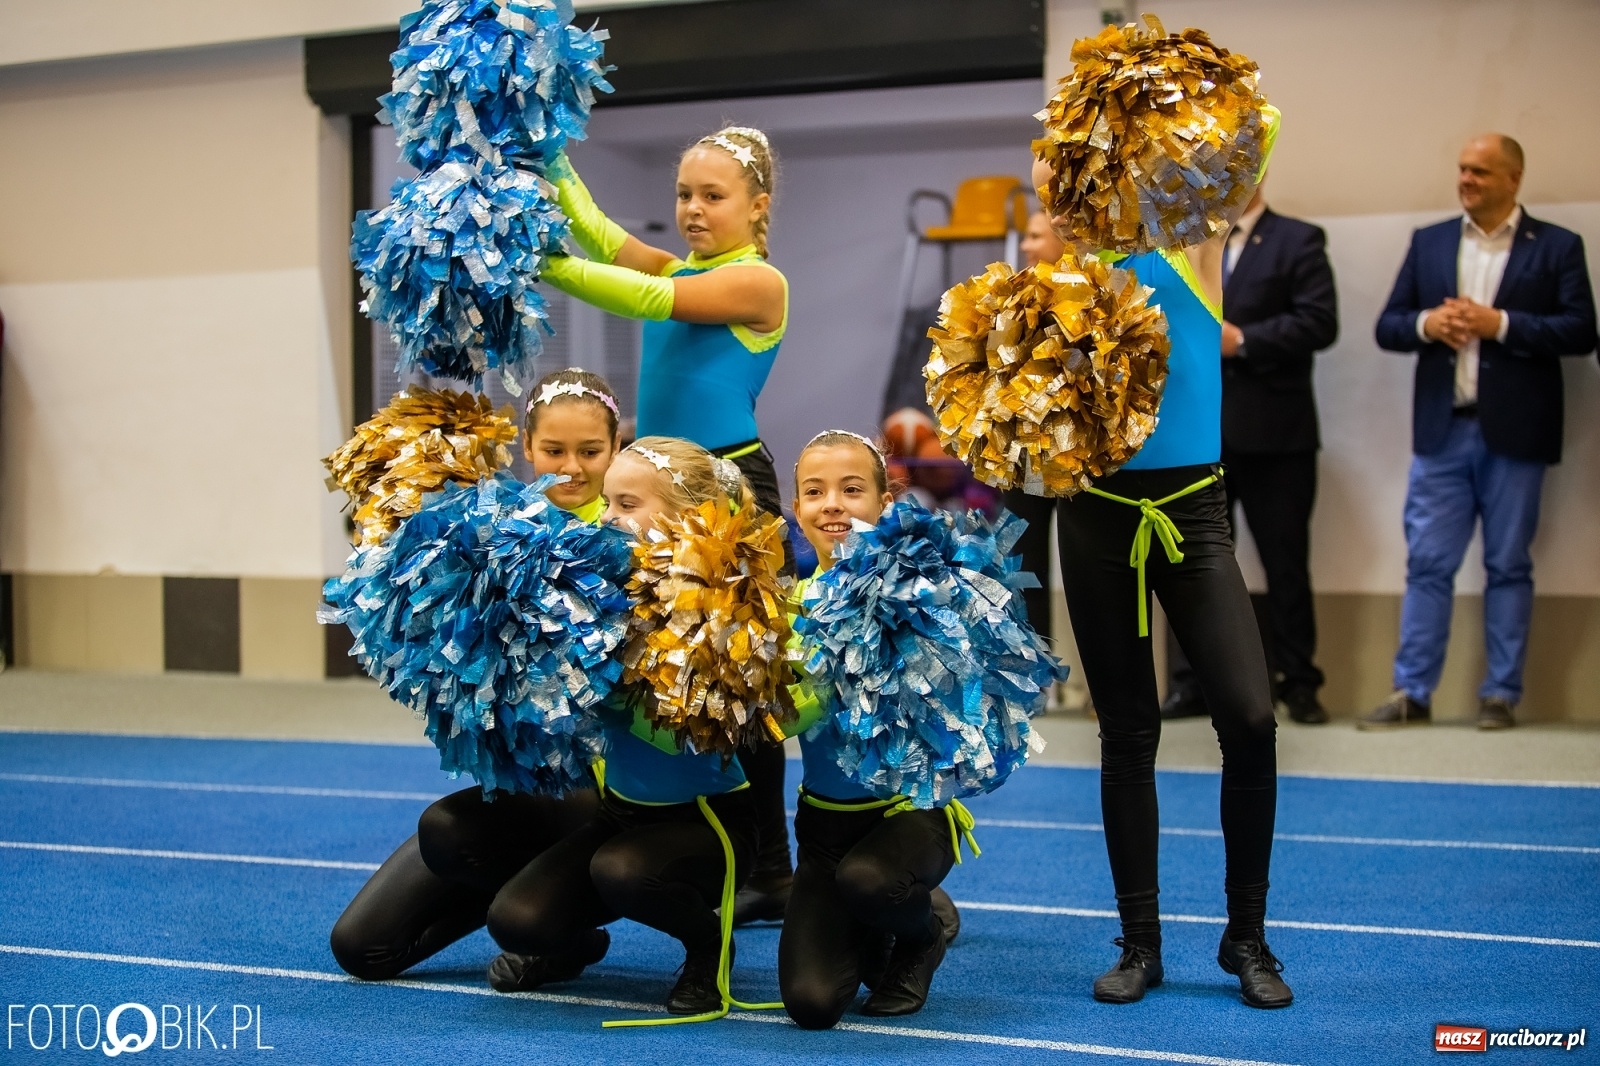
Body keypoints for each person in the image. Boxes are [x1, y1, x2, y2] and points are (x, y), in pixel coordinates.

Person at [1034, 106, 1294, 1009]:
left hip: (1194, 511)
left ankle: (1248, 938)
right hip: (1097, 515)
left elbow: (1257, 130)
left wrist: (1156, 98)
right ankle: (1139, 942)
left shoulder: (1196, 246)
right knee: (1127, 733)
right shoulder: (1060, 278)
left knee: (1250, 718)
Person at [542, 128, 794, 919]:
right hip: (660, 488)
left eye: (711, 196)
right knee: (670, 675)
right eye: (683, 194)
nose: (691, 209)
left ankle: (771, 866)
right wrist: (547, 156)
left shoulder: (759, 282)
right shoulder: (687, 265)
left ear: (757, 208)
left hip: (727, 493)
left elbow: (645, 295)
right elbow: (600, 232)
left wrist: (539, 268)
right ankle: (694, 839)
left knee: (738, 683)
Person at [329, 368, 623, 989]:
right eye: (554, 450)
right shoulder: (490, 523)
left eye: (591, 452)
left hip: (595, 792)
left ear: (617, 449)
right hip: (513, 788)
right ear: (525, 446)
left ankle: (554, 928)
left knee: (445, 828)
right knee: (362, 950)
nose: (571, 467)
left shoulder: (630, 533)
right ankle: (530, 908)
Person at [485, 437, 763, 1016]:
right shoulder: (604, 585)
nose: (608, 518)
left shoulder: (723, 600)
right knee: (517, 920)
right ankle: (571, 946)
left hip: (709, 820)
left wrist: (591, 688)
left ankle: (708, 946)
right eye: (608, 503)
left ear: (687, 517)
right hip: (621, 813)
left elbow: (689, 728)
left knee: (623, 872)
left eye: (627, 504)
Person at [1365, 134, 1596, 731]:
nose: (1466, 179)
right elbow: (1388, 326)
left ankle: (1500, 695)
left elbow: (1580, 331)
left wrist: (1502, 324)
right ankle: (1412, 693)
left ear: (1513, 178)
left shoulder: (1559, 247)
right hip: (1443, 433)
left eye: (1481, 171)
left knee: (1509, 564)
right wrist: (1426, 322)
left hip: (1517, 436)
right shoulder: (1431, 241)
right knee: (1427, 564)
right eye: (1462, 169)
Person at [778, 431, 967, 1029]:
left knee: (870, 881)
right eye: (814, 492)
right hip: (824, 829)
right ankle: (873, 921)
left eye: (851, 490)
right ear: (797, 507)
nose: (831, 504)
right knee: (812, 1004)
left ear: (886, 503)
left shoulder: (921, 594)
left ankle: (923, 930)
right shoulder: (784, 605)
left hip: (904, 815)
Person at [1161, 182, 1339, 725]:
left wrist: (1244, 342)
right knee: (1191, 563)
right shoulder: (1181, 241)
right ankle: (1191, 683)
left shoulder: (1298, 240)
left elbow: (1319, 322)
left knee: (1284, 561)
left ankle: (1298, 681)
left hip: (1275, 433)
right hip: (1197, 436)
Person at [1001, 210, 1069, 641]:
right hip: (1025, 453)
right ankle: (1033, 672)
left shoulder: (1094, 294)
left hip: (1079, 453)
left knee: (1089, 564)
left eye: (1035, 236)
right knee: (1023, 564)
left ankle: (1094, 686)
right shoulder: (1012, 295)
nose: (1025, 246)